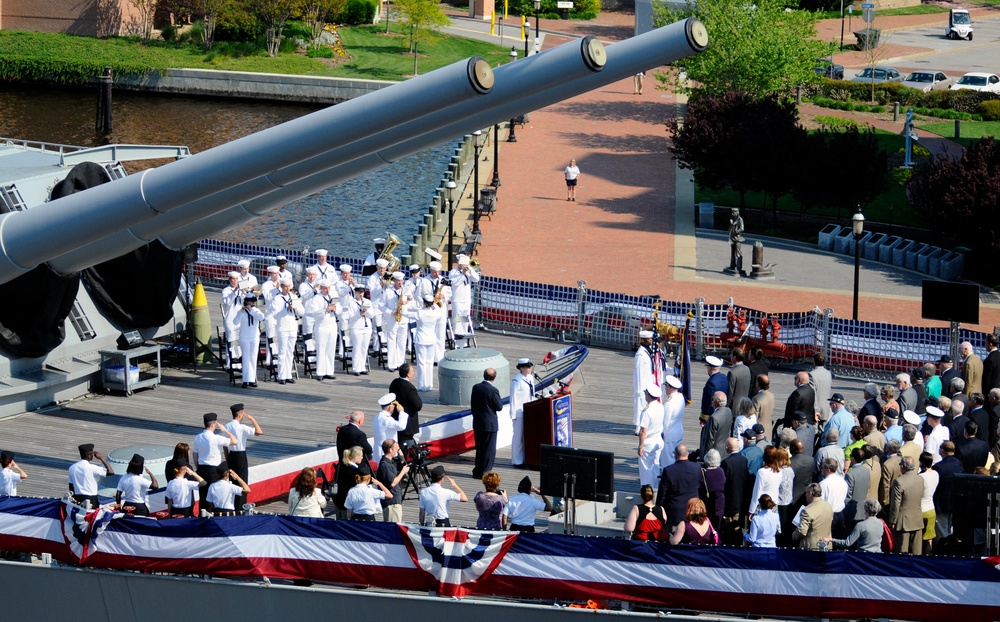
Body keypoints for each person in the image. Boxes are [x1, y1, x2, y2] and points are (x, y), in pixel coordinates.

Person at [192, 412, 238, 508]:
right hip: (214, 470)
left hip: (201, 468)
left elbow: (195, 455)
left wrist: (198, 468)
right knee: (214, 496)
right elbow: (234, 441)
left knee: (203, 496)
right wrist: (225, 430)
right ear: (213, 424)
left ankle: (202, 516)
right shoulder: (216, 438)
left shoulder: (197, 437)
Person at [225, 403, 262, 513]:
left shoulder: (227, 426)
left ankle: (233, 505)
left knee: (232, 481)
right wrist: (252, 419)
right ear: (240, 414)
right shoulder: (242, 427)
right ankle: (241, 507)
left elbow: (225, 446)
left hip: (231, 455)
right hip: (240, 455)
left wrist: (227, 459)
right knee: (242, 481)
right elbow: (259, 432)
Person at [655, 444, 701, 529]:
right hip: (693, 509)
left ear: (675, 456)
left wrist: (658, 509)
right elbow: (700, 487)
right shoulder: (697, 468)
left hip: (674, 512)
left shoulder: (668, 471)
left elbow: (662, 494)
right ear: (687, 454)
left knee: (674, 538)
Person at [269, 277, 303, 384]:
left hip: (292, 327)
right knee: (282, 352)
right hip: (282, 327)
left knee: (290, 352)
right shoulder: (277, 299)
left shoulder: (293, 296)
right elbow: (275, 315)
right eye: (285, 287)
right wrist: (286, 309)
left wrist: (295, 307)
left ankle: (288, 374)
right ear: (281, 287)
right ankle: (281, 376)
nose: (287, 288)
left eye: (289, 286)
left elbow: (302, 312)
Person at [408, 293, 445, 391]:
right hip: (431, 339)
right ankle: (429, 385)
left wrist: (406, 303)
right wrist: (435, 303)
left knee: (421, 363)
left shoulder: (420, 313)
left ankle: (421, 385)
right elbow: (439, 309)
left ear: (424, 303)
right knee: (429, 362)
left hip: (421, 339)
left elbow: (405, 313)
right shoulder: (435, 313)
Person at [471, 367, 503, 478]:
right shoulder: (493, 390)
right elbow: (499, 407)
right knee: (489, 450)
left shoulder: (476, 388)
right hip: (490, 424)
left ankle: (477, 470)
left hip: (478, 422)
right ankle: (485, 472)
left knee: (480, 448)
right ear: (494, 377)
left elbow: (473, 404)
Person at [890, 455, 925, 554]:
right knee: (917, 552)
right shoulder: (920, 479)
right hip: (917, 519)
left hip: (903, 521)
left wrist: (893, 520)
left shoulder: (899, 481)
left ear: (902, 467)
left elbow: (896, 503)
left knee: (902, 552)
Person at [307, 280, 340, 380]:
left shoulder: (332, 296)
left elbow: (340, 310)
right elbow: (314, 313)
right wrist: (326, 309)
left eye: (329, 288)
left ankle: (329, 371)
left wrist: (335, 308)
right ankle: (320, 372)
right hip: (321, 326)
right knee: (321, 349)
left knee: (331, 349)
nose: (327, 290)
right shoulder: (317, 298)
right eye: (325, 288)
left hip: (332, 325)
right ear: (321, 288)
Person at [381, 272, 412, 371]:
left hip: (403, 318)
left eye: (401, 280)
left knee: (402, 341)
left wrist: (407, 302)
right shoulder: (388, 291)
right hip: (392, 318)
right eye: (398, 280)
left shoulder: (406, 290)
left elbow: (412, 303)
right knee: (391, 340)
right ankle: (392, 364)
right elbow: (381, 305)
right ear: (394, 281)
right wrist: (390, 312)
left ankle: (400, 362)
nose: (399, 282)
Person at [719, 438, 747, 545]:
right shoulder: (744, 460)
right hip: (742, 499)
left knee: (729, 528)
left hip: (730, 502)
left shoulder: (726, 463)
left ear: (727, 448)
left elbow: (723, 483)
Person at [68, 443, 114, 508]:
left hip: (77, 499)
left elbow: (71, 486)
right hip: (91, 499)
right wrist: (102, 458)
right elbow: (111, 472)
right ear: (89, 456)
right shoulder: (93, 468)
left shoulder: (72, 467)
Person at [637, 381, 665, 488]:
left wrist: (641, 446)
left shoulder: (646, 411)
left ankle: (647, 492)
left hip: (649, 442)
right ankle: (656, 489)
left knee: (646, 470)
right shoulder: (660, 406)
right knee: (655, 467)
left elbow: (643, 431)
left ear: (648, 395)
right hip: (658, 440)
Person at [633, 330, 661, 435]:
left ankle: (643, 425)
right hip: (642, 386)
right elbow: (639, 372)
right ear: (644, 340)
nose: (651, 341)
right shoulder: (640, 355)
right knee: (640, 406)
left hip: (648, 383)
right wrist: (640, 390)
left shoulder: (647, 351)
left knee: (645, 406)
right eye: (649, 339)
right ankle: (638, 426)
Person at [510, 358, 536, 468]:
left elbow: (532, 394)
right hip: (519, 412)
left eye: (530, 366)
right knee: (518, 437)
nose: (530, 369)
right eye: (527, 367)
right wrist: (513, 415)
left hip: (529, 410)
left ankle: (527, 458)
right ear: (521, 368)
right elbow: (513, 398)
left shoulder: (530, 378)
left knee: (528, 436)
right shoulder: (517, 381)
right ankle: (517, 460)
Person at [448, 254, 480, 347]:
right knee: (457, 321)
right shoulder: (453, 272)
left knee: (465, 321)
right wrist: (463, 274)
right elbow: (455, 283)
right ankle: (456, 342)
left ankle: (464, 342)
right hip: (457, 300)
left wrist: (470, 270)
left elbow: (476, 279)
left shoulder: (468, 271)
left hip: (466, 300)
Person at [376, 440, 409, 523]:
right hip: (391, 503)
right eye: (395, 449)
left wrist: (399, 450)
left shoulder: (392, 461)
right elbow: (393, 483)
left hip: (395, 501)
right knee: (393, 527)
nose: (397, 451)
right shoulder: (385, 465)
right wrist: (403, 472)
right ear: (390, 450)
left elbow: (403, 461)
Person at [235, 293, 264, 388]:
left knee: (253, 358)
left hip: (254, 337)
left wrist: (251, 311)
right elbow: (235, 322)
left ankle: (251, 379)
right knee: (246, 358)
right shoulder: (241, 312)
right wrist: (242, 312)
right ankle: (245, 380)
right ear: (246, 301)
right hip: (244, 337)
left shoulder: (256, 311)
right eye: (251, 301)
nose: (253, 303)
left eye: (254, 301)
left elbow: (262, 317)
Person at [390, 362, 422, 446]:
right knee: (406, 443)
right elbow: (418, 405)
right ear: (408, 374)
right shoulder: (410, 388)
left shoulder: (394, 382)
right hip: (408, 421)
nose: (413, 372)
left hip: (396, 417)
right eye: (412, 371)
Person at [793, 483, 833, 550]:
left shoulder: (807, 510)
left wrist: (794, 536)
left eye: (806, 493)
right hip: (827, 545)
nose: (805, 495)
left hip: (812, 548)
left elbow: (802, 531)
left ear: (810, 493)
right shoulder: (828, 506)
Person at [345, 285, 374, 376]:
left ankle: (362, 367)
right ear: (355, 292)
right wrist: (359, 314)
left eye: (362, 292)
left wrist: (366, 312)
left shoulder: (368, 302)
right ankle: (356, 368)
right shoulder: (351, 303)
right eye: (359, 292)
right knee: (357, 348)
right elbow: (350, 317)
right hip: (356, 327)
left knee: (364, 348)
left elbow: (372, 315)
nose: (361, 294)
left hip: (366, 327)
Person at [372, 393, 408, 464]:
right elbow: (401, 426)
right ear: (390, 407)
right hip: (386, 453)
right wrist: (402, 412)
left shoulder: (378, 416)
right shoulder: (387, 419)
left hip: (379, 450)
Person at [661, 375, 686, 468]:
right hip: (678, 431)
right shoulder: (680, 397)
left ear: (671, 387)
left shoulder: (668, 402)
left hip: (669, 435)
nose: (665, 389)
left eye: (666, 386)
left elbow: (665, 422)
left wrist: (663, 435)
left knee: (667, 461)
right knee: (677, 458)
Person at [333, 446, 365, 517]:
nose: (362, 458)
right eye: (361, 456)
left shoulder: (341, 465)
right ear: (356, 456)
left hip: (338, 500)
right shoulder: (355, 471)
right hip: (348, 503)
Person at [749, 446, 782, 515]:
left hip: (763, 506)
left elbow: (757, 492)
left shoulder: (762, 472)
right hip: (774, 505)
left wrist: (752, 510)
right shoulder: (779, 471)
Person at [700, 391, 733, 460]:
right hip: (725, 452)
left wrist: (706, 456)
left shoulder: (714, 418)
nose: (711, 400)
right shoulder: (729, 411)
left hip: (714, 454)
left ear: (716, 402)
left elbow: (709, 440)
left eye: (712, 399)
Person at [699, 449, 726, 530]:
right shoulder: (721, 471)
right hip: (720, 502)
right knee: (717, 526)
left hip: (708, 502)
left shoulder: (704, 472)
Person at [917, 451, 939, 553]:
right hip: (931, 509)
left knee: (918, 539)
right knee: (929, 538)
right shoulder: (936, 474)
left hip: (920, 509)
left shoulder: (920, 477)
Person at [701, 356, 728, 421]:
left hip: (713, 415)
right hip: (723, 412)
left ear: (710, 368)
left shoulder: (711, 382)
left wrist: (703, 419)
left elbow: (709, 402)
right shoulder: (724, 377)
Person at [811, 353, 833, 424]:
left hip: (816, 409)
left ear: (814, 362)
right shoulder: (828, 373)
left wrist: (816, 409)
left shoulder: (812, 374)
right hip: (826, 408)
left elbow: (812, 392)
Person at [752, 374, 775, 440]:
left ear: (758, 384)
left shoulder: (756, 398)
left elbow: (754, 417)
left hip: (759, 431)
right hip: (769, 429)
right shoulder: (771, 396)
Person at [726, 208, 744, 274]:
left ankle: (739, 267)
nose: (732, 214)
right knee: (732, 252)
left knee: (738, 252)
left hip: (737, 238)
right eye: (732, 212)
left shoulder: (740, 219)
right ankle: (732, 265)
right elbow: (730, 228)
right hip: (732, 238)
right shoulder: (732, 219)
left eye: (733, 212)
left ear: (737, 212)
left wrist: (737, 231)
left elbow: (742, 228)